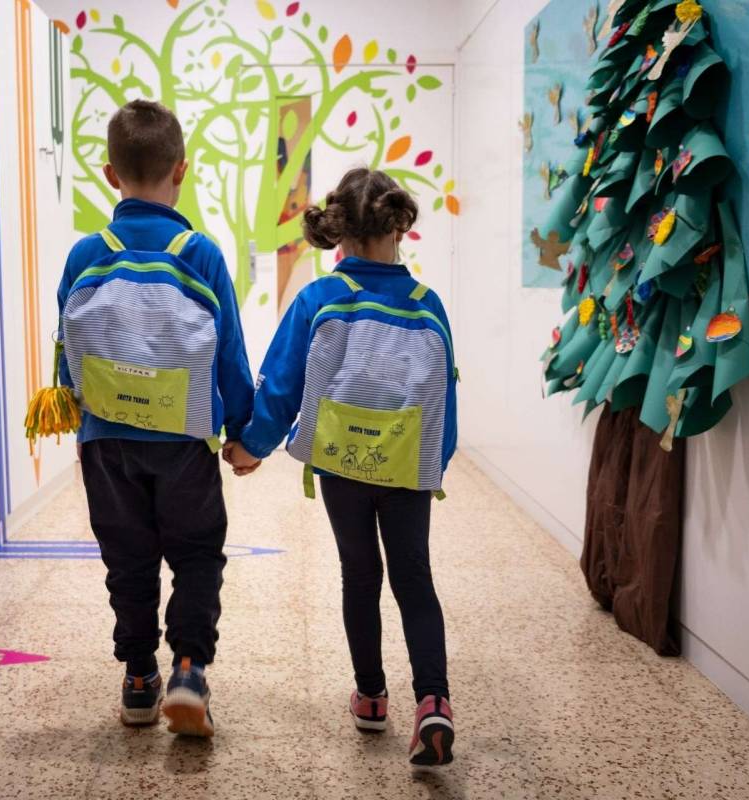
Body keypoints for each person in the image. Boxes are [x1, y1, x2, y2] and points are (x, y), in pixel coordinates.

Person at [225, 168, 458, 767]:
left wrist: (251, 445)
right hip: (406, 465)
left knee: (360, 574)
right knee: (415, 578)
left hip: (341, 464)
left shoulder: (320, 298)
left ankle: (373, 697)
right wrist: (434, 465)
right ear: (398, 227)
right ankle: (433, 701)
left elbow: (281, 384)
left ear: (340, 234)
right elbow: (445, 407)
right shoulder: (426, 304)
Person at [57, 99, 256, 737]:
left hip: (107, 442)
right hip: (182, 442)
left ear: (111, 174)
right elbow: (230, 352)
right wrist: (243, 433)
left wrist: (80, 414)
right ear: (183, 170)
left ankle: (139, 676)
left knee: (129, 559)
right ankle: (190, 670)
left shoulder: (86, 253)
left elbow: (65, 351)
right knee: (197, 555)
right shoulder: (200, 255)